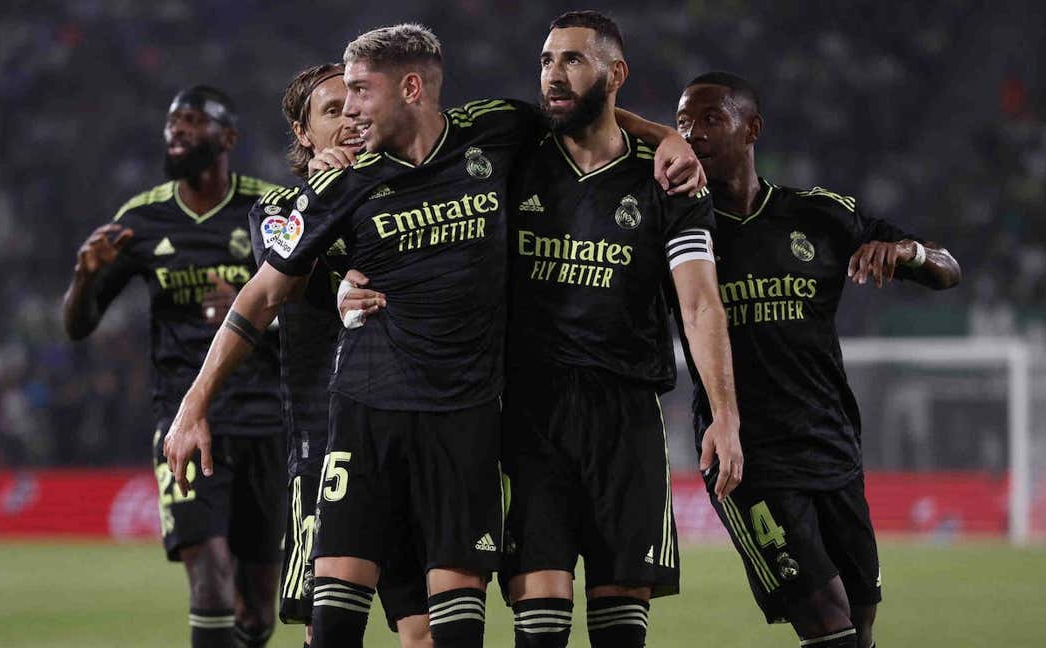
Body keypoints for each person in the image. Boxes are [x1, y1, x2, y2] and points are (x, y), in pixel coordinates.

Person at [163, 24, 701, 648]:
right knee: (333, 626)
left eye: (361, 91)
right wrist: (193, 403)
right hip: (366, 417)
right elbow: (261, 296)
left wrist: (665, 137)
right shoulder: (341, 180)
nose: (353, 108)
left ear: (411, 87)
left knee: (451, 634)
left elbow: (583, 113)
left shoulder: (494, 131)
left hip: (464, 426)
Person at [674, 72, 961, 648]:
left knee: (859, 624)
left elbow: (947, 270)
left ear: (751, 128)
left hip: (831, 444)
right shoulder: (677, 226)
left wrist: (907, 250)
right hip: (747, 456)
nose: (693, 134)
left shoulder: (817, 215)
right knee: (827, 624)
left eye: (710, 119)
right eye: (683, 123)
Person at [499, 12, 741, 648]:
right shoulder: (514, 154)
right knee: (541, 625)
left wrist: (724, 415)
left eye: (573, 60)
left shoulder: (667, 179)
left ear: (615, 74)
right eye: (547, 60)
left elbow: (699, 304)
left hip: (626, 414)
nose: (553, 74)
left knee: (619, 628)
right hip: (529, 414)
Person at [62, 86, 287, 648]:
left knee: (258, 608)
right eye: (171, 123)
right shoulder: (142, 219)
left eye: (192, 121)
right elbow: (78, 325)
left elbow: (310, 312)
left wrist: (244, 299)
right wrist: (85, 278)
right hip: (187, 422)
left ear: (227, 138)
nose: (177, 132)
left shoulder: (271, 208)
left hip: (268, 420)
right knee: (209, 579)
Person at [250, 62, 431, 648]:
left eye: (356, 105)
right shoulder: (279, 209)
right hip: (326, 446)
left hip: (407, 431)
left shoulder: (410, 193)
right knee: (326, 632)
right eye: (333, 111)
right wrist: (320, 195)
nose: (351, 119)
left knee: (426, 630)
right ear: (304, 134)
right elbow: (282, 284)